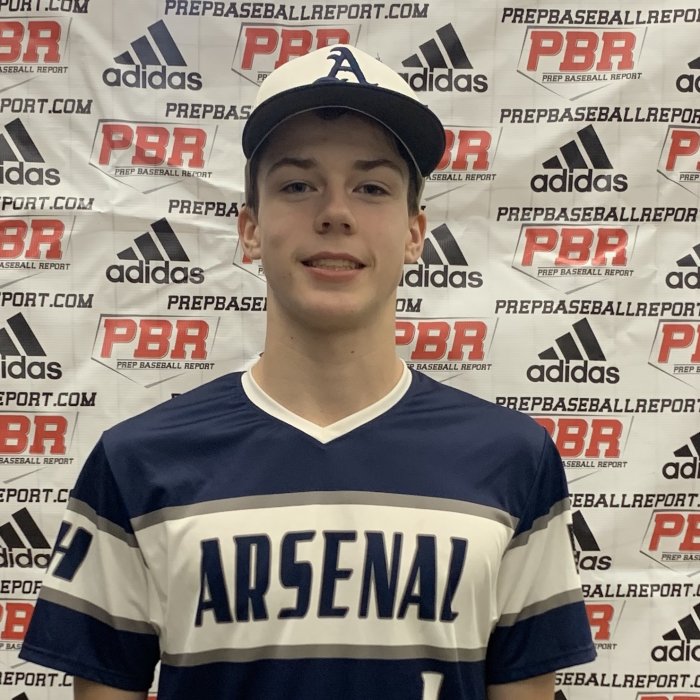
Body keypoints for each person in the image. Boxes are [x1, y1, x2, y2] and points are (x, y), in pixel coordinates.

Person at [20, 44, 595, 699]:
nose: (335, 212)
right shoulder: (137, 461)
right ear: (250, 229)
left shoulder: (513, 459)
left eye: (371, 187)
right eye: (297, 185)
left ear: (415, 233)